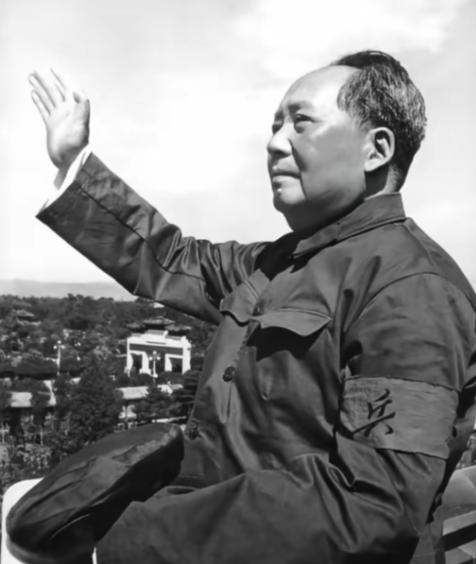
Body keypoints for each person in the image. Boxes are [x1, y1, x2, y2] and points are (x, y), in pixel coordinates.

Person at [28, 51, 476, 564]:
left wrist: (125, 543)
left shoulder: (413, 291)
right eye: (275, 125)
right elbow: (173, 258)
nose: (275, 142)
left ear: (376, 150)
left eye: (301, 123)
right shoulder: (279, 263)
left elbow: (372, 504)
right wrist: (76, 165)